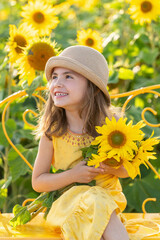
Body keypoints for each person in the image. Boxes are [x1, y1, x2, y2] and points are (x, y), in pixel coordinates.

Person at [32, 45, 129, 240]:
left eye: (68, 76)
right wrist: (73, 175)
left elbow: (127, 170)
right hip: (67, 206)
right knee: (93, 203)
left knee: (97, 207)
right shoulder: (53, 131)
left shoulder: (112, 127)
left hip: (108, 203)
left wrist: (107, 166)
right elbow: (38, 182)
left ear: (92, 87)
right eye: (54, 77)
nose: (57, 83)